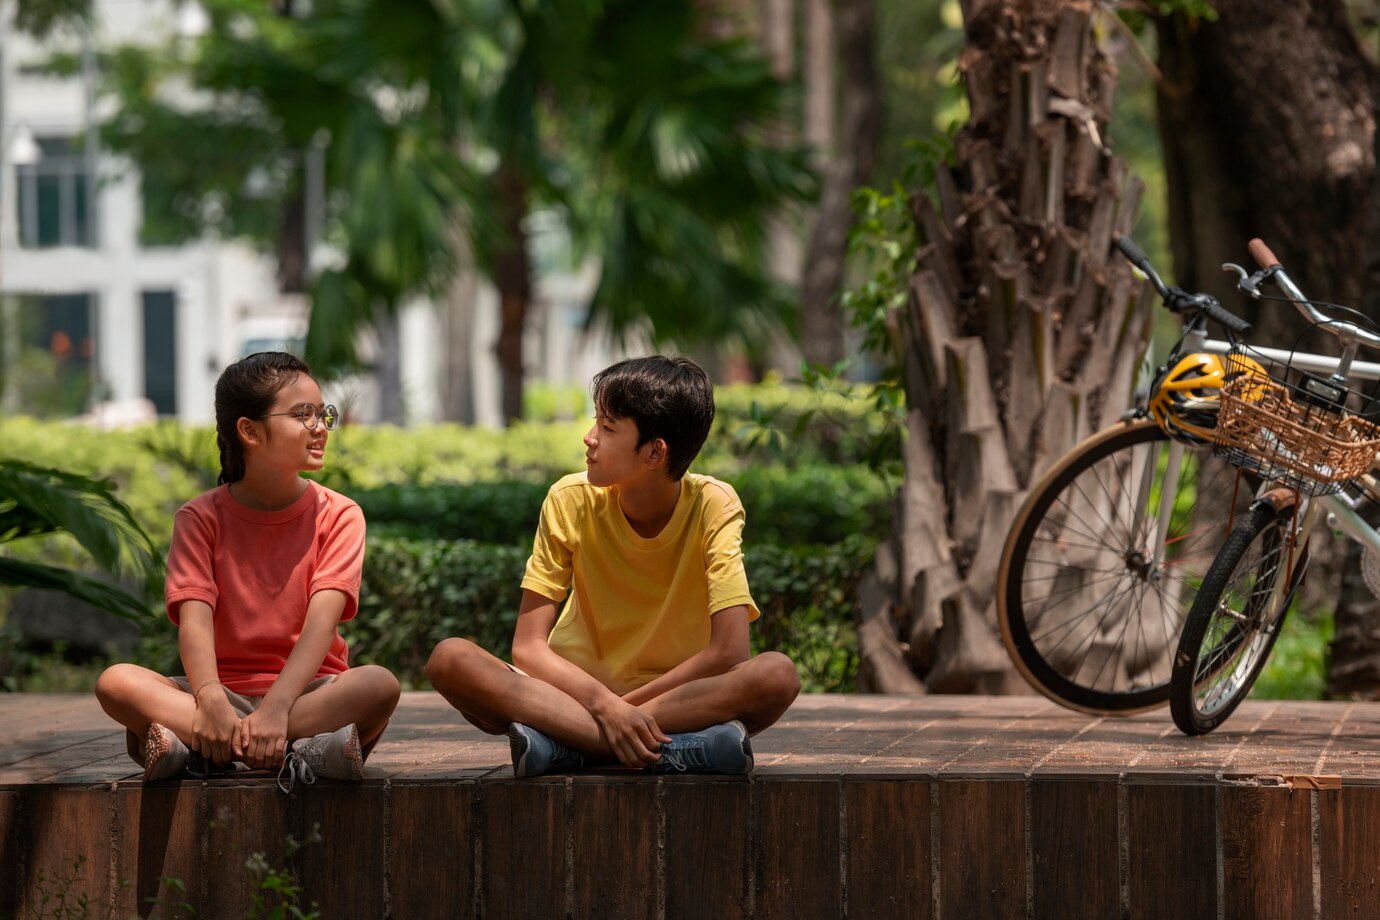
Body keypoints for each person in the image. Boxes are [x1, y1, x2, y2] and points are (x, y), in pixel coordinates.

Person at [425, 355, 800, 776]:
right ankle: (683, 749)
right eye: (596, 422)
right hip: (572, 693)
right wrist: (602, 705)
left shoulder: (715, 504)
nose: (589, 438)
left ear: (655, 452)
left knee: (777, 676)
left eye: (607, 427)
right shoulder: (569, 498)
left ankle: (573, 748)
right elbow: (528, 647)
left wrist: (623, 711)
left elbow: (730, 650)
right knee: (450, 660)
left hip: (678, 696)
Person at [94, 352, 400, 792]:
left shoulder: (340, 515)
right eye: (303, 414)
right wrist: (210, 697)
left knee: (379, 685)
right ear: (249, 431)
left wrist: (277, 708)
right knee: (116, 682)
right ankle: (303, 751)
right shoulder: (200, 518)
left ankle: (201, 750)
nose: (320, 427)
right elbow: (194, 622)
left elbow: (320, 625)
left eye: (322, 414)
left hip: (308, 694)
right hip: (217, 697)